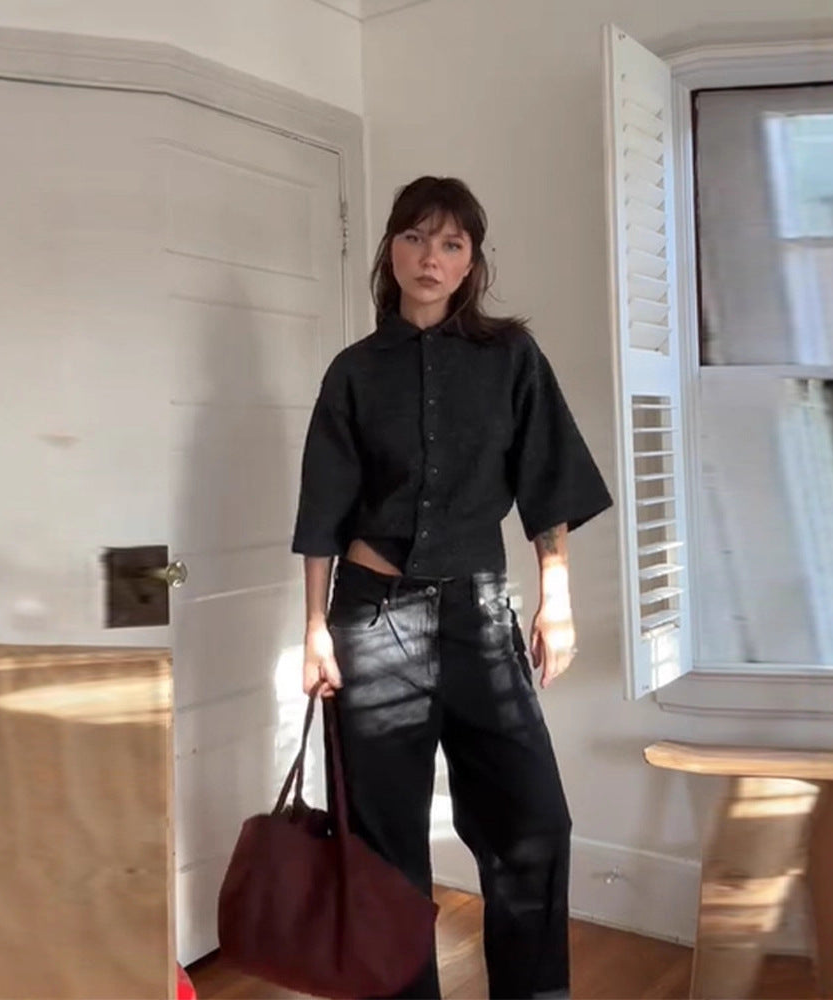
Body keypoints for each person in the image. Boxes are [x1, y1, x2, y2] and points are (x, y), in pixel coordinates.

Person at [292, 175, 612, 1000]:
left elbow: (547, 481)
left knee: (534, 823)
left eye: (450, 243)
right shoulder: (354, 372)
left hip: (479, 614)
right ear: (390, 250)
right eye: (414, 237)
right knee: (382, 840)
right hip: (372, 620)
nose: (429, 257)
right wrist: (315, 629)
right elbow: (323, 509)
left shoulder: (510, 358)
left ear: (471, 263)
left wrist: (557, 599)